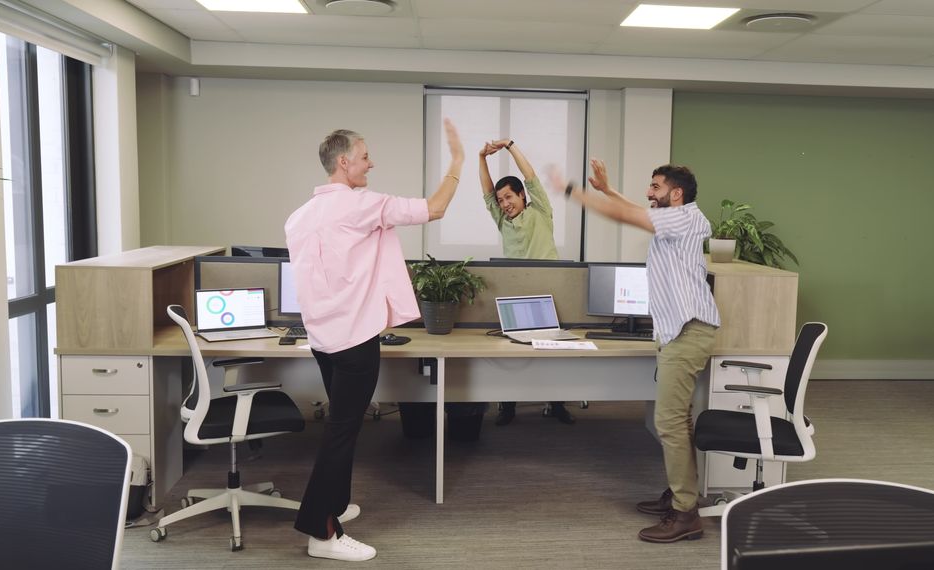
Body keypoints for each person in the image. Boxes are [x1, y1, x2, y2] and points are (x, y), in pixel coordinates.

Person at [284, 120, 465, 561]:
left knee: (341, 429)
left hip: (323, 339)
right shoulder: (358, 205)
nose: (372, 162)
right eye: (365, 156)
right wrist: (458, 161)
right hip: (354, 341)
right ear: (344, 163)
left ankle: (337, 506)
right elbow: (435, 208)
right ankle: (321, 533)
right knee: (341, 433)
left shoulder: (300, 216)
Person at [552, 159, 720, 543]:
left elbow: (627, 217)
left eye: (656, 187)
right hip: (680, 331)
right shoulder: (677, 219)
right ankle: (682, 496)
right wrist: (609, 190)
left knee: (669, 423)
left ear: (676, 194)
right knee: (679, 421)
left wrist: (573, 192)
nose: (649, 192)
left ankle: (685, 513)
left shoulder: (685, 219)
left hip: (688, 331)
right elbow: (637, 210)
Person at [478, 138, 575, 426]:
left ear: (522, 196)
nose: (504, 204)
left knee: (552, 355)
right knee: (511, 353)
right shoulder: (502, 221)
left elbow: (530, 176)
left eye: (509, 197)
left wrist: (509, 145)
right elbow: (486, 191)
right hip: (517, 295)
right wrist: (481, 157)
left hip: (550, 293)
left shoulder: (540, 211)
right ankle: (507, 406)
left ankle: (556, 404)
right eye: (501, 201)